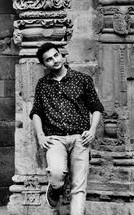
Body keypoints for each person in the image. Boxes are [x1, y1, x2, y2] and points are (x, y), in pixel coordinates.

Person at [29, 42, 104, 215]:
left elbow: (97, 108)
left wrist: (92, 131)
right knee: (56, 173)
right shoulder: (43, 85)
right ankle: (56, 188)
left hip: (80, 138)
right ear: (44, 64)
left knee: (79, 186)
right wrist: (40, 135)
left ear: (61, 55)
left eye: (56, 55)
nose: (54, 60)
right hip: (55, 139)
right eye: (48, 59)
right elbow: (36, 112)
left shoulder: (82, 79)